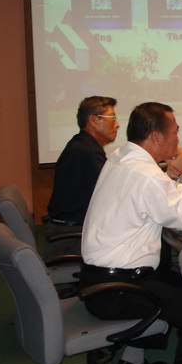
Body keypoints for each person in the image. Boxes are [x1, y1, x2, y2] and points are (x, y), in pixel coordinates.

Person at [80, 102, 182, 364]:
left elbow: (149, 200)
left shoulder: (121, 155)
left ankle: (131, 361)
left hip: (99, 280)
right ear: (156, 137)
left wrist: (170, 178)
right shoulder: (146, 175)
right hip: (117, 292)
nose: (178, 138)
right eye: (176, 131)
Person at [45, 96, 119, 257]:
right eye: (112, 118)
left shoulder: (83, 145)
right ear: (93, 121)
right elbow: (114, 191)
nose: (117, 124)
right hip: (71, 239)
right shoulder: (85, 151)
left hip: (73, 230)